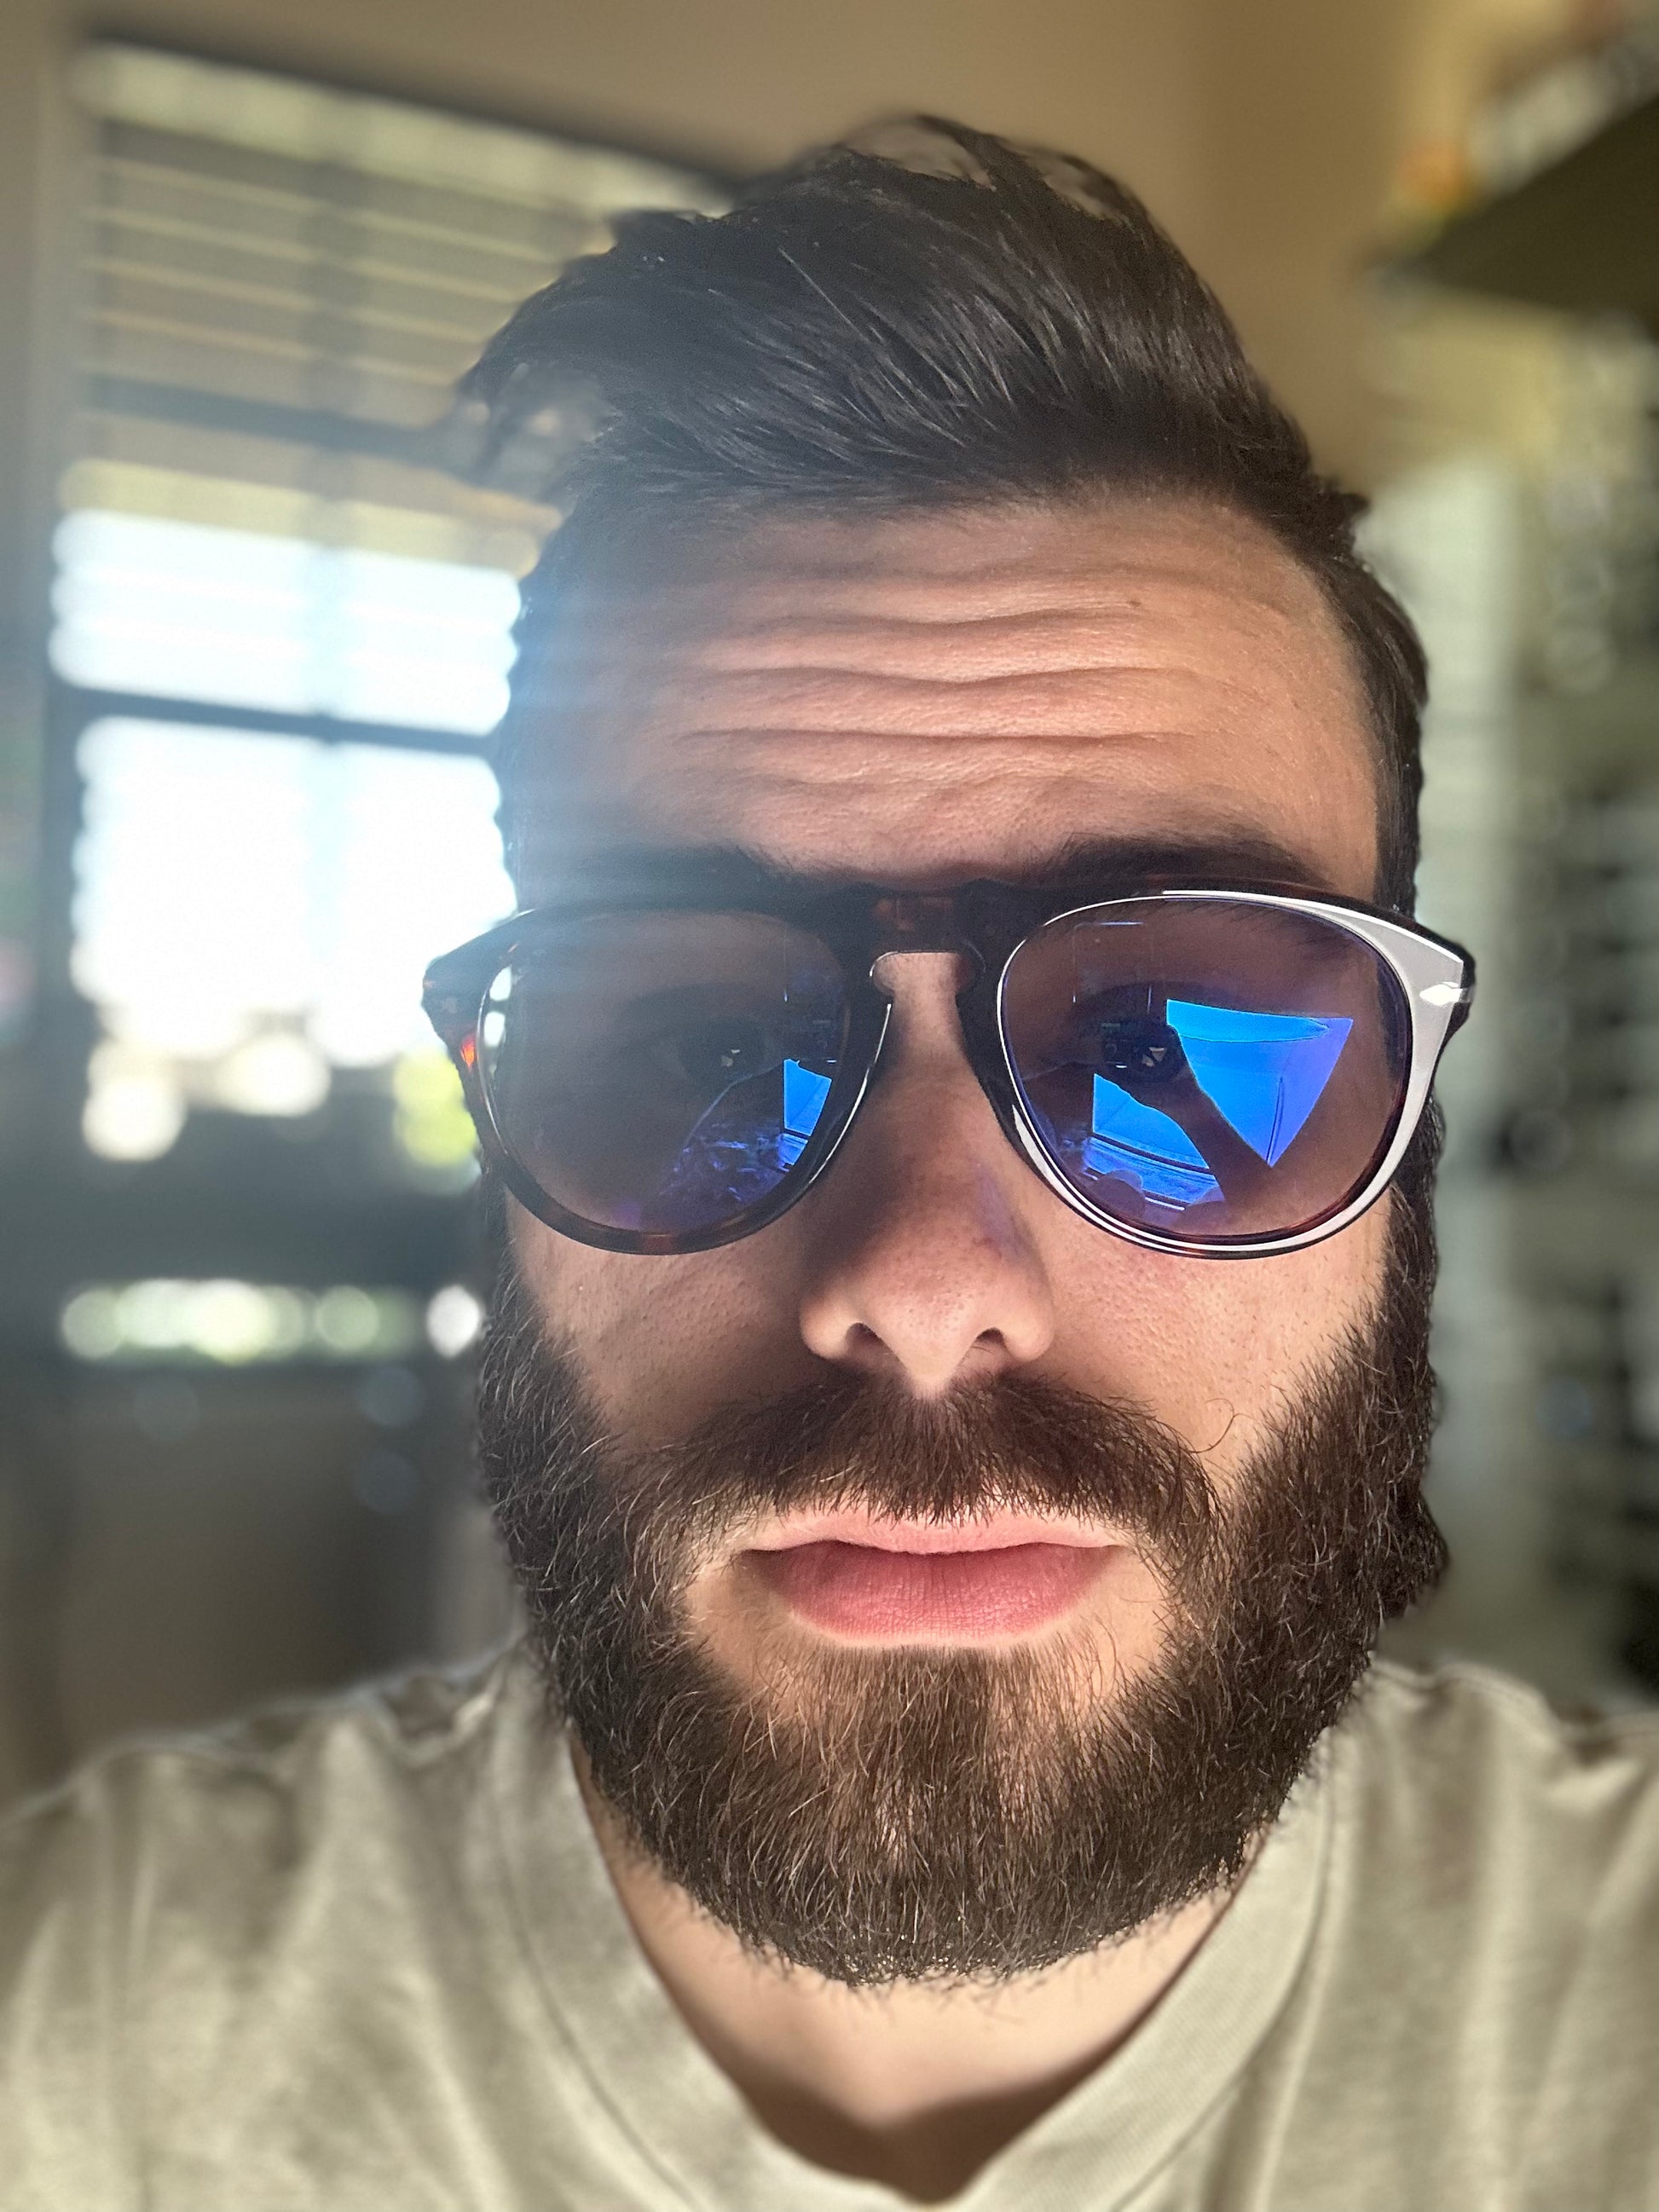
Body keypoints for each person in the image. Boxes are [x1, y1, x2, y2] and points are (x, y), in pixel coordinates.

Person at [3, 117, 1656, 2212]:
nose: (926, 1281)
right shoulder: (77, 2031)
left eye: (1163, 1043)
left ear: (1404, 1138)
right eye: (697, 1046)